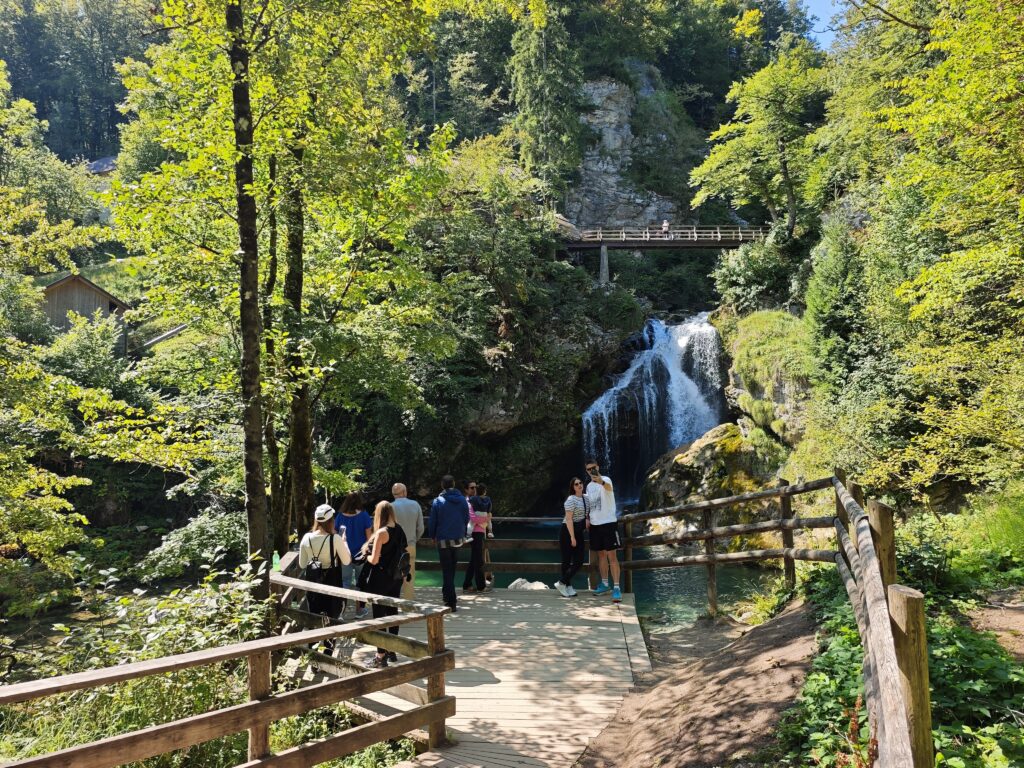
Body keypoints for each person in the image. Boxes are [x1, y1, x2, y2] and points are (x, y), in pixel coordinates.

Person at [361, 501, 408, 668]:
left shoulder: (381, 532)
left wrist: (365, 555)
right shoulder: (399, 529)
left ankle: (380, 655)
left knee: (379, 616)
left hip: (380, 579)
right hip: (395, 578)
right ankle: (391, 649)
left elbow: (374, 560)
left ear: (379, 514)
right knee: (393, 612)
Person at [298, 504, 352, 618]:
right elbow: (347, 561)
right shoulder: (335, 538)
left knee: (315, 618)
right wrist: (345, 542)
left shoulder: (306, 537)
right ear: (331, 520)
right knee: (333, 617)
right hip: (331, 583)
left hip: (313, 583)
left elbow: (302, 564)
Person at [429, 475, 470, 612]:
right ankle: (447, 594)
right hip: (458, 538)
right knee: (452, 568)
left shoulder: (438, 501)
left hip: (443, 539)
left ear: (442, 485)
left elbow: (433, 520)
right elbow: (466, 518)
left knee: (447, 570)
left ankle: (451, 601)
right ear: (453, 484)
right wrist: (463, 532)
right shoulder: (463, 500)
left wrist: (432, 535)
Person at [585, 458, 622, 602]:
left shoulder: (606, 479)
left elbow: (608, 488)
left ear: (598, 467)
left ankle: (617, 588)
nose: (591, 471)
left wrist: (600, 480)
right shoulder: (588, 486)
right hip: (595, 525)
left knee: (612, 556)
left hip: (608, 523)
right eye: (588, 469)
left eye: (593, 468)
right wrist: (587, 518)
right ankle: (605, 584)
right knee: (601, 555)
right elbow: (590, 504)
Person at [335, 491, 374, 618]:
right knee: (360, 582)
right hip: (360, 555)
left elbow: (335, 535)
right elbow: (369, 537)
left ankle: (340, 612)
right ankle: (359, 611)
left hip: (343, 554)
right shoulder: (364, 516)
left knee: (344, 582)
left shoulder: (340, 516)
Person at [554, 477, 589, 598]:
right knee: (566, 561)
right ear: (573, 487)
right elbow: (568, 519)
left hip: (578, 531)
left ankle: (562, 583)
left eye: (580, 483)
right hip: (567, 532)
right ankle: (567, 586)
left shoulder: (586, 498)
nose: (579, 485)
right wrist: (572, 537)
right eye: (576, 484)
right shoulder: (571, 499)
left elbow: (588, 513)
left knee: (579, 561)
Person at [391, 483, 424, 600]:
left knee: (394, 575)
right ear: (405, 492)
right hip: (410, 545)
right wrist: (414, 539)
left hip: (394, 548)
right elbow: (421, 528)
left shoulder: (390, 507)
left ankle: (393, 602)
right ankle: (408, 603)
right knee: (409, 575)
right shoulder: (415, 505)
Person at [462, 480, 492, 593]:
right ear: (466, 490)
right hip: (474, 533)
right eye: (471, 488)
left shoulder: (478, 501)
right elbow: (473, 518)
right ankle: (481, 586)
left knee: (474, 559)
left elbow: (487, 512)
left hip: (479, 532)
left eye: (476, 487)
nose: (474, 489)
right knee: (478, 559)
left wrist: (486, 520)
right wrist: (486, 519)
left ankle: (467, 584)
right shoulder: (467, 502)